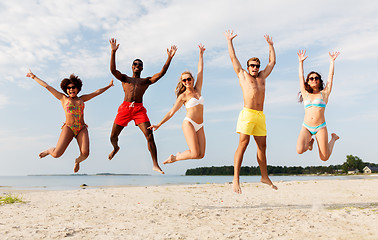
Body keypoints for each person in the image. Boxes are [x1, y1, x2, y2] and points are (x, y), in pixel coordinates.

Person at [108, 38, 177, 174]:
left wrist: (169, 58)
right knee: (112, 137)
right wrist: (113, 52)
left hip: (139, 109)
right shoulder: (125, 79)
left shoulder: (145, 81)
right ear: (132, 66)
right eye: (135, 63)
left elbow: (161, 74)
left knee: (150, 135)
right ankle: (116, 148)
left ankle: (155, 164)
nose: (137, 65)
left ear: (142, 68)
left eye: (140, 64)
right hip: (125, 108)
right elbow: (113, 70)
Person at [26, 70, 114, 172]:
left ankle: (77, 161)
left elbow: (96, 92)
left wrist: (109, 86)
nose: (71, 89)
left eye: (73, 87)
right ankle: (49, 150)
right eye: (68, 88)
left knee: (85, 154)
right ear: (66, 89)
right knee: (56, 154)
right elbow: (47, 86)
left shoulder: (82, 99)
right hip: (69, 127)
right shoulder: (63, 98)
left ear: (77, 88)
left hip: (81, 128)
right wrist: (33, 76)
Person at [224, 30, 277, 194]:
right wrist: (229, 41)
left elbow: (272, 62)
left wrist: (270, 45)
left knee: (262, 146)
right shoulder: (243, 75)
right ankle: (235, 179)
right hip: (247, 114)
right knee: (243, 144)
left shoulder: (262, 77)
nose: (255, 68)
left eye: (257, 65)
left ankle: (264, 176)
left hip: (260, 116)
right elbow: (233, 58)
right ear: (248, 67)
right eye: (252, 65)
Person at [149, 44, 206, 164]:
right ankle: (174, 158)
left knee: (201, 155)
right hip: (189, 123)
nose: (187, 81)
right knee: (194, 153)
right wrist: (158, 124)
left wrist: (201, 54)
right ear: (182, 82)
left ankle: (178, 156)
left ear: (192, 79)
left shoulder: (198, 89)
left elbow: (200, 71)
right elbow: (171, 112)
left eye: (188, 79)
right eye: (184, 80)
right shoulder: (183, 96)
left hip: (200, 124)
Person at [296, 50, 340, 161]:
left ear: (319, 81)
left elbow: (331, 77)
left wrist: (332, 61)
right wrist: (301, 62)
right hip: (306, 126)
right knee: (299, 150)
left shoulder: (324, 94)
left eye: (316, 78)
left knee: (324, 158)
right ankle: (310, 143)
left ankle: (333, 139)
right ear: (308, 82)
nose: (314, 79)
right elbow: (300, 77)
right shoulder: (306, 94)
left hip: (320, 127)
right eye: (311, 78)